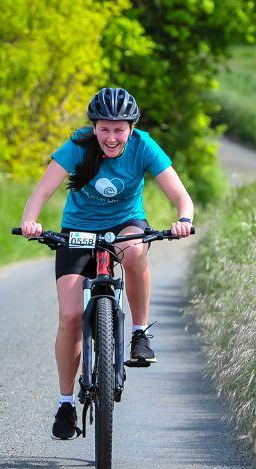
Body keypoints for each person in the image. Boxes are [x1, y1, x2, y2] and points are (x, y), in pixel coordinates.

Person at [19, 87, 194, 440]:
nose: (111, 137)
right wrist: (31, 221)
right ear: (93, 128)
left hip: (125, 222)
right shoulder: (78, 146)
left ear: (131, 128)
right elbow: (40, 192)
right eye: (104, 129)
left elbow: (180, 196)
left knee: (134, 252)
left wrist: (184, 219)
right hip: (79, 229)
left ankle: (139, 333)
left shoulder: (145, 146)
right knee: (69, 317)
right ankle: (66, 402)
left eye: (119, 129)